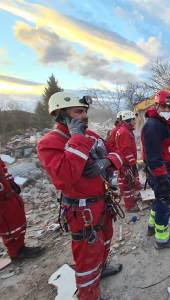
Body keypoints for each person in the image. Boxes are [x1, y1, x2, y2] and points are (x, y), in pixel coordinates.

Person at [37, 92, 124, 300]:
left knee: (105, 241)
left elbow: (117, 152)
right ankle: (88, 295)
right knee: (87, 256)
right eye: (78, 112)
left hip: (103, 203)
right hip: (82, 210)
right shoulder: (50, 142)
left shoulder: (91, 136)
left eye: (85, 111)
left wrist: (107, 162)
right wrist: (77, 139)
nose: (84, 116)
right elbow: (64, 178)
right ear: (60, 114)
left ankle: (101, 269)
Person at [141, 89, 170, 249]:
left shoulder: (161, 123)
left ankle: (152, 227)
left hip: (165, 171)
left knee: (159, 200)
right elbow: (154, 157)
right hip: (161, 172)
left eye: (169, 107)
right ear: (156, 106)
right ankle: (162, 239)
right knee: (165, 202)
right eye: (163, 107)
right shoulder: (153, 126)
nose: (167, 111)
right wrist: (163, 178)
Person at [0, 158, 44, 260]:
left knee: (18, 221)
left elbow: (3, 168)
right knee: (9, 227)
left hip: (9, 196)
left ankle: (21, 247)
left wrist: (11, 182)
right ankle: (15, 252)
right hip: (2, 200)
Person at [114, 110, 141, 212]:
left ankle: (131, 200)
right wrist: (132, 163)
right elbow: (126, 149)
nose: (135, 121)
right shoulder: (125, 132)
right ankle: (130, 206)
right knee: (127, 185)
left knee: (129, 182)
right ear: (129, 120)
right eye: (134, 119)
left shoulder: (124, 130)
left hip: (125, 162)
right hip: (126, 163)